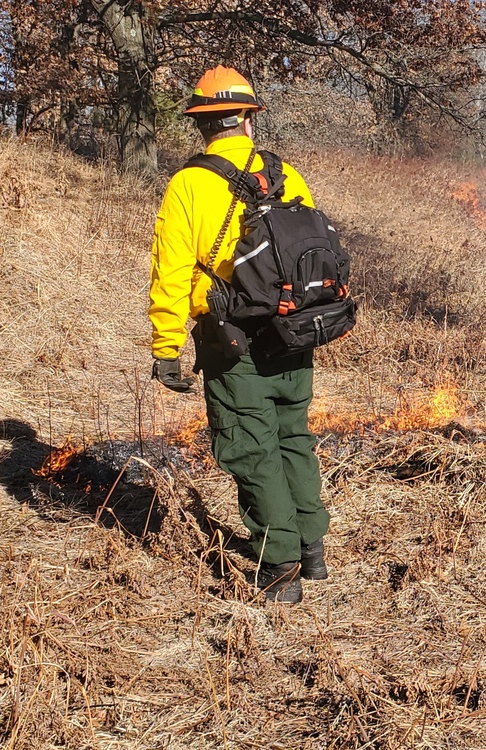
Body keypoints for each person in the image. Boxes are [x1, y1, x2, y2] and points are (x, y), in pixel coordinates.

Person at [149, 66, 329, 603]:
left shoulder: (188, 184)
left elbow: (171, 271)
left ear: (201, 125)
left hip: (232, 339)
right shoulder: (286, 174)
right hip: (294, 329)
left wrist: (166, 348)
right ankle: (312, 547)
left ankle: (278, 568)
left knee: (250, 448)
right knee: (293, 436)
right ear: (248, 120)